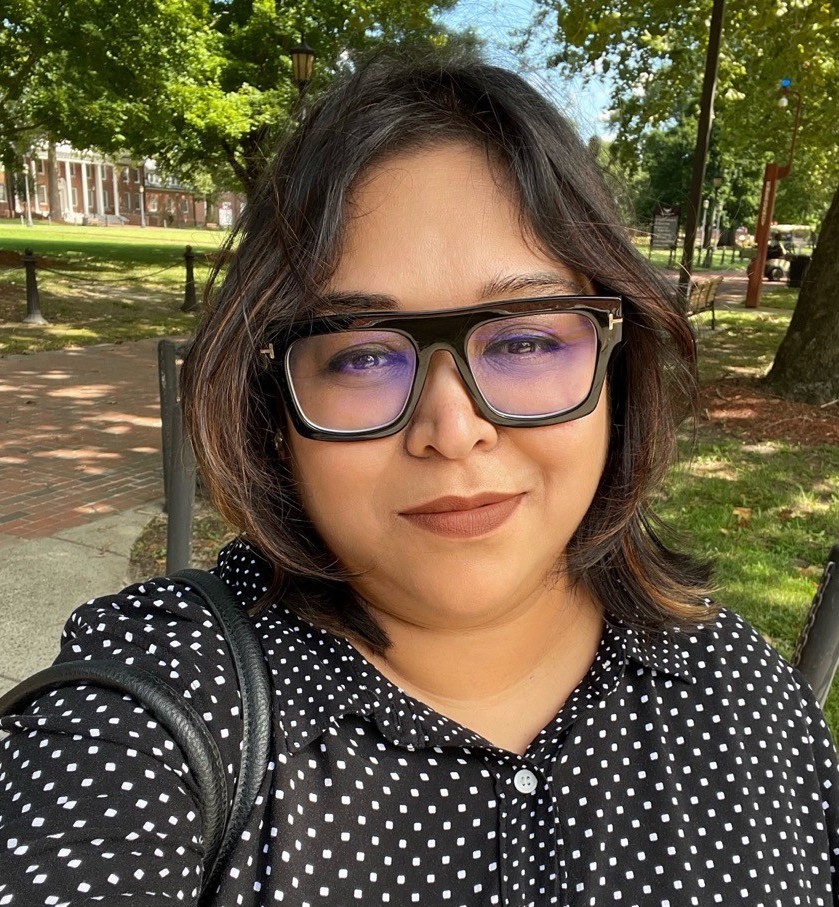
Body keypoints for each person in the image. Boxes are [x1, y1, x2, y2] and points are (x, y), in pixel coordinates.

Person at [1, 50, 838, 906]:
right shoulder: (158, 703)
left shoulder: (745, 696)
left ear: (615, 372)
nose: (452, 428)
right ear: (274, 404)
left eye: (523, 340)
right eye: (364, 354)